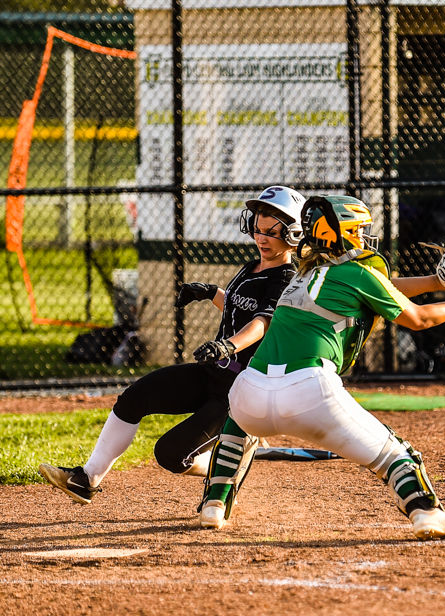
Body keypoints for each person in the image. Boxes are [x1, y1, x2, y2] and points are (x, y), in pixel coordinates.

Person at [196, 194, 445, 539]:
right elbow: (418, 318)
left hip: (249, 392)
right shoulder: (357, 272)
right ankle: (427, 513)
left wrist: (437, 281)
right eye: (358, 230)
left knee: (237, 426)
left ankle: (214, 505)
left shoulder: (303, 271)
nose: (363, 237)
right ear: (344, 233)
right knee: (396, 454)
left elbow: (383, 289)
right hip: (309, 391)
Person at [37, 186, 304, 504]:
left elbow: (262, 324)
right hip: (214, 373)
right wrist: (210, 292)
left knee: (169, 454)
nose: (262, 238)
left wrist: (227, 346)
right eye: (258, 228)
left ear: (292, 234)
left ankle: (228, 464)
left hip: (242, 388)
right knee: (135, 397)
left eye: (272, 231)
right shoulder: (252, 268)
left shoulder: (287, 278)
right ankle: (86, 479)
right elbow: (238, 308)